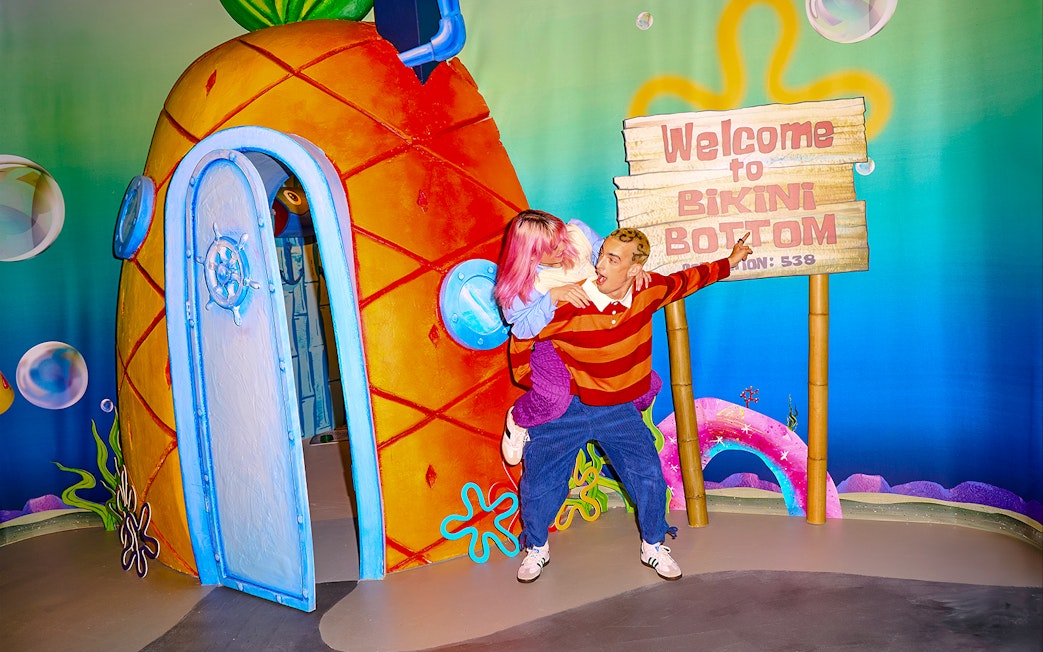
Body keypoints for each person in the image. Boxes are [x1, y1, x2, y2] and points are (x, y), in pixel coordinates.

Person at [508, 227, 752, 583]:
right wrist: (532, 385)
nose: (599, 264)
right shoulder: (566, 304)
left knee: (649, 477)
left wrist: (730, 261)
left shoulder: (648, 290)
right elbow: (521, 337)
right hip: (567, 411)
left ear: (635, 270)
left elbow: (687, 280)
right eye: (602, 253)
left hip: (617, 410)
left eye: (612, 259)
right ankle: (536, 547)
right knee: (541, 484)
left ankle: (653, 544)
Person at [493, 210, 660, 466]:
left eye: (560, 237)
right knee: (555, 398)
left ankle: (618, 425)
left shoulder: (577, 235)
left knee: (647, 385)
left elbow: (610, 259)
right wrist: (552, 297)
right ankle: (519, 419)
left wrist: (633, 272)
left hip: (596, 332)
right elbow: (522, 330)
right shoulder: (525, 283)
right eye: (553, 246)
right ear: (533, 253)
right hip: (553, 341)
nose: (562, 246)